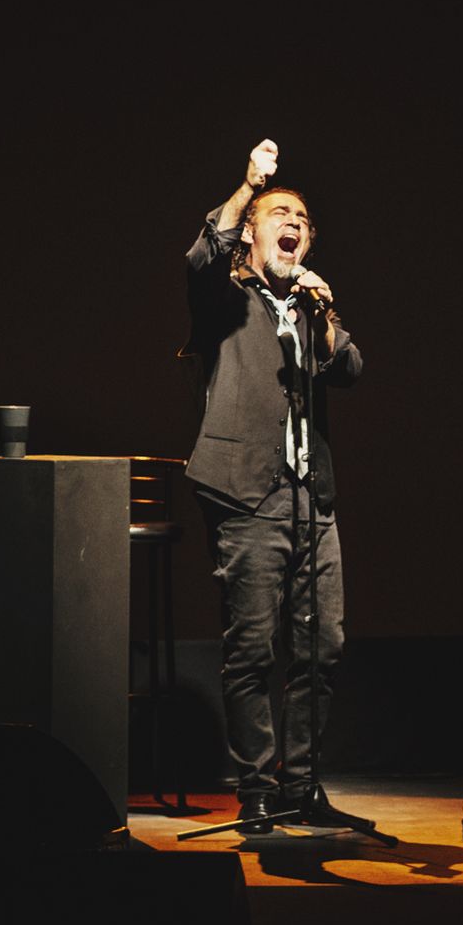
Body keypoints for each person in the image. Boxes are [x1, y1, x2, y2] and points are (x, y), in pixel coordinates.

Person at [180, 139, 363, 830]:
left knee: (324, 647)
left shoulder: (311, 310)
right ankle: (255, 786)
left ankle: (301, 783)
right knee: (253, 648)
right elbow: (203, 251)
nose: (294, 222)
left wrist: (323, 317)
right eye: (280, 213)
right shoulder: (222, 297)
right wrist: (248, 184)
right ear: (254, 235)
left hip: (310, 497)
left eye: (303, 219)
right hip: (244, 490)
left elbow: (348, 370)